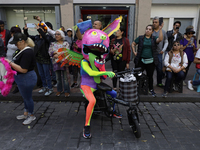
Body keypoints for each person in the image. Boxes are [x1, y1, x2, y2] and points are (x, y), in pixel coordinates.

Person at [4, 33, 37, 125]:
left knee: (27, 98)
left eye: (16, 43)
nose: (15, 45)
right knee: (25, 97)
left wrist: (10, 62)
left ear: (22, 41)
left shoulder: (27, 52)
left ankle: (31, 115)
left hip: (26, 78)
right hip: (22, 78)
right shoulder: (21, 50)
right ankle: (26, 113)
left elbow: (23, 70)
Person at [132, 24, 163, 97]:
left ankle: (151, 89)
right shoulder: (140, 38)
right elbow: (133, 44)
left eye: (149, 29)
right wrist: (134, 52)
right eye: (147, 29)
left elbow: (160, 39)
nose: (147, 30)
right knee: (138, 75)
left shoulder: (154, 38)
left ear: (152, 31)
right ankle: (137, 88)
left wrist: (160, 29)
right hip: (141, 60)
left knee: (150, 76)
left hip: (151, 61)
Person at [24, 23, 53, 96]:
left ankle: (50, 88)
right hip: (38, 59)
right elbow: (28, 37)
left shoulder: (48, 37)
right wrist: (25, 31)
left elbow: (45, 37)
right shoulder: (37, 37)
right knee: (41, 74)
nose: (39, 30)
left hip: (45, 58)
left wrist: (40, 29)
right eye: (39, 29)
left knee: (47, 74)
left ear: (45, 30)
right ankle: (44, 87)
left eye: (42, 29)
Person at [48, 30, 70, 97]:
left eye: (58, 34)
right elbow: (50, 52)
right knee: (58, 78)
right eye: (55, 34)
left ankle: (66, 91)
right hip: (56, 63)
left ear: (62, 36)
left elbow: (67, 52)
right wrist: (54, 54)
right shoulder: (53, 44)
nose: (56, 35)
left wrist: (57, 54)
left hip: (64, 62)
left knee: (65, 78)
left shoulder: (66, 43)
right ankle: (59, 90)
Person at [152, 16, 168, 87]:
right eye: (153, 22)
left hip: (159, 53)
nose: (154, 24)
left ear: (159, 23)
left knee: (159, 69)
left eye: (156, 22)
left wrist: (163, 50)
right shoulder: (150, 31)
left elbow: (166, 42)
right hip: (151, 54)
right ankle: (150, 84)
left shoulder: (163, 31)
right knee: (151, 70)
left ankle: (159, 82)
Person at [7, 25, 22, 94]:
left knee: (17, 74)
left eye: (12, 32)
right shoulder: (11, 38)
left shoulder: (19, 39)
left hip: (15, 59)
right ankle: (15, 85)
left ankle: (18, 87)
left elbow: (16, 47)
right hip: (10, 58)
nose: (11, 34)